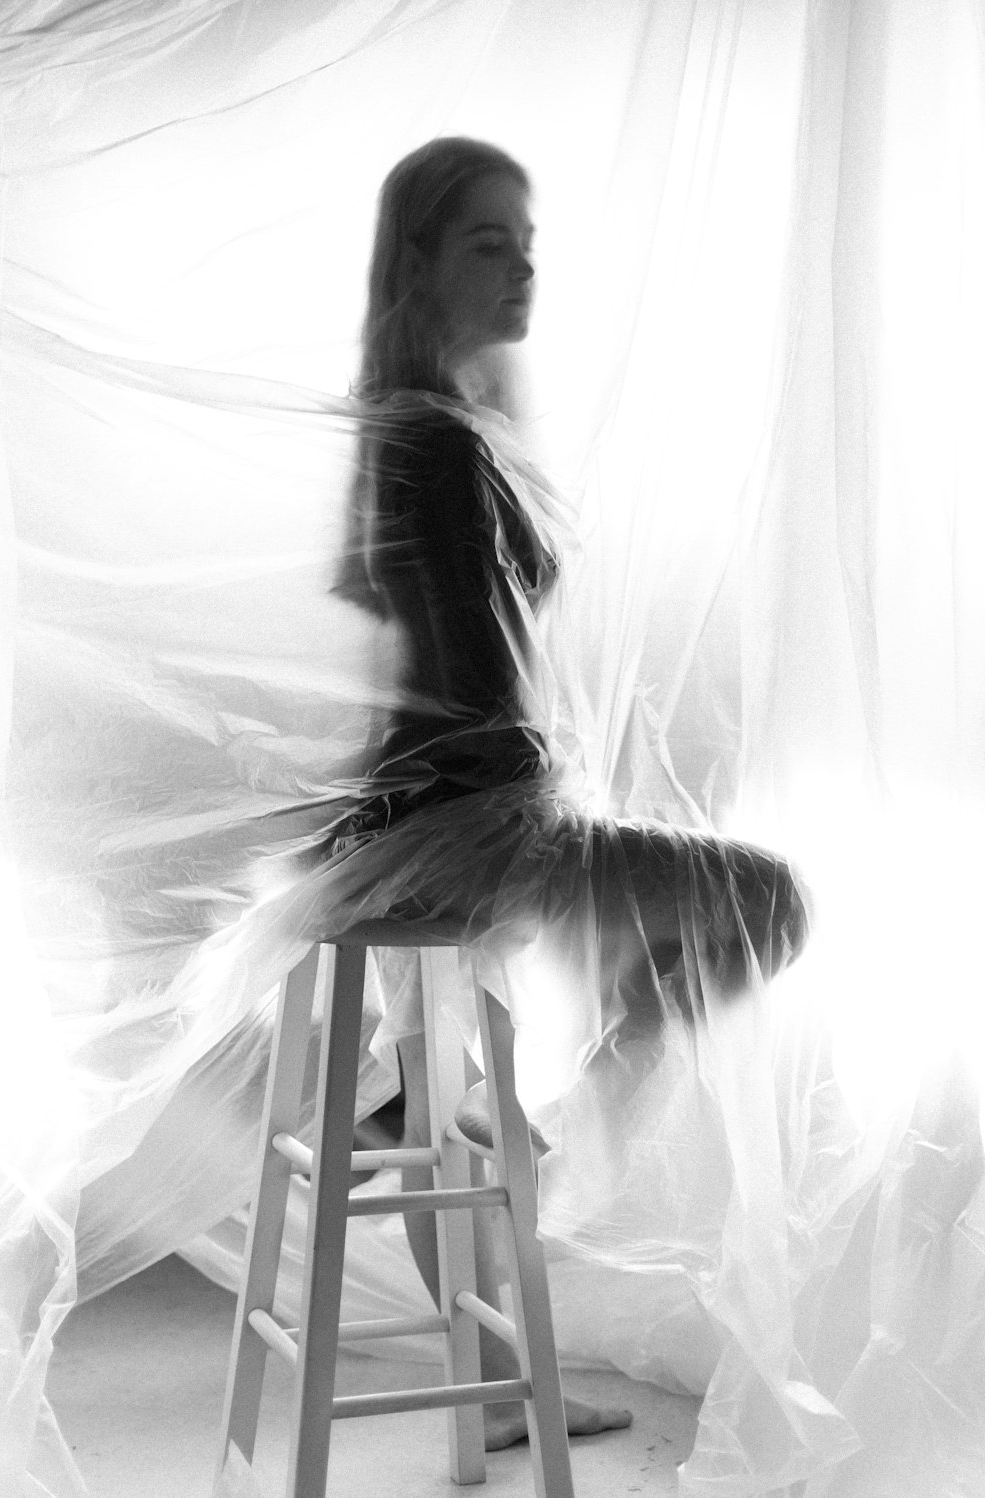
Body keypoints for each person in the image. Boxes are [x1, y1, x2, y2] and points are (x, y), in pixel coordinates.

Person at [317, 136, 809, 1449]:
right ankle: (537, 1133)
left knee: (434, 1103)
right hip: (466, 812)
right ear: (421, 262)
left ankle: (494, 1388)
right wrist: (547, 810)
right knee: (763, 903)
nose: (524, 265)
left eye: (530, 243)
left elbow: (419, 649)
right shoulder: (436, 444)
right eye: (491, 240)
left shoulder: (415, 424)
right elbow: (475, 683)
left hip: (412, 817)